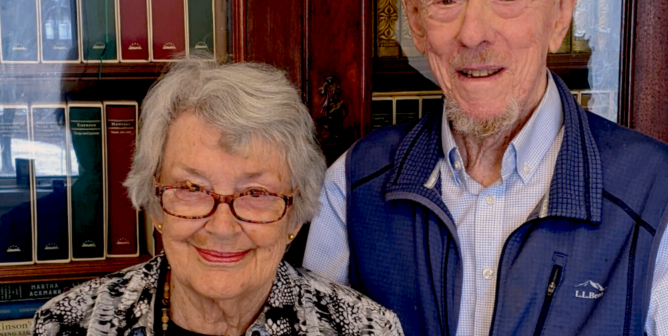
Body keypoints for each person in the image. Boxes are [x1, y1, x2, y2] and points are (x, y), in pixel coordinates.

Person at [303, 0, 668, 335]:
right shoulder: (352, 187)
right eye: (447, 1)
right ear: (415, 19)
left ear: (560, 13)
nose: (473, 33)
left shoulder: (665, 201)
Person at [32, 59, 405, 336]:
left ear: (295, 214)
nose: (223, 227)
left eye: (256, 193)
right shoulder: (67, 324)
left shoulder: (364, 329)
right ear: (155, 202)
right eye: (192, 189)